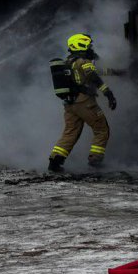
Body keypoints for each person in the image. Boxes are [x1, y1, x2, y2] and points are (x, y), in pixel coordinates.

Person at [49, 33, 116, 172]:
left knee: (70, 133)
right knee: (102, 129)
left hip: (69, 104)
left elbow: (96, 71)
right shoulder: (83, 62)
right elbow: (93, 76)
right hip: (85, 103)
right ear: (81, 44)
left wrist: (117, 72)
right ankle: (95, 161)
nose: (91, 47)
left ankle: (55, 161)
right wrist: (108, 94)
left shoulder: (68, 62)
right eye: (88, 45)